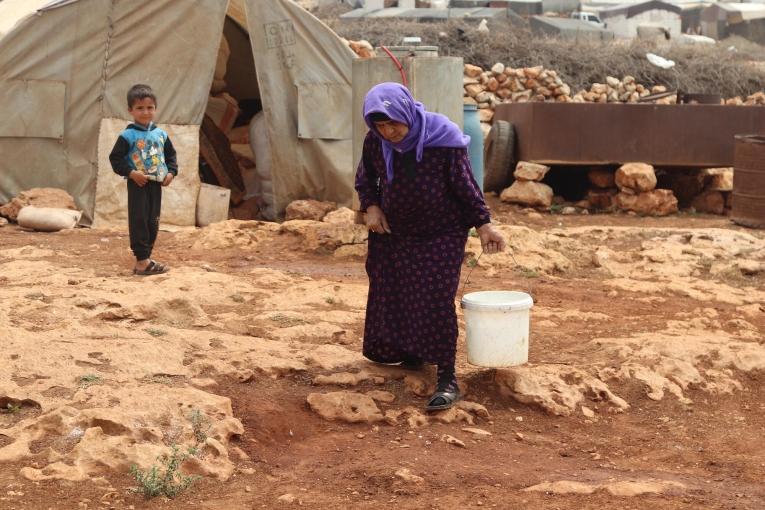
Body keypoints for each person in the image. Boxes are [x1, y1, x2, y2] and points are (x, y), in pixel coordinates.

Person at [355, 82, 506, 411]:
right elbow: (366, 178)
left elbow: (465, 185)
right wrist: (372, 206)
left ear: (407, 113)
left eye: (394, 123)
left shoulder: (443, 138)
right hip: (395, 232)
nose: (389, 132)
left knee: (435, 298)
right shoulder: (376, 141)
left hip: (441, 233)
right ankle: (411, 354)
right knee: (396, 290)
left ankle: (447, 377)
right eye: (380, 125)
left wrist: (484, 224)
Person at [109, 84, 177, 276]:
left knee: (152, 220)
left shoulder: (161, 135)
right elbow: (115, 159)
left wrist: (171, 173)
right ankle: (141, 261)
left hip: (156, 184)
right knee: (139, 219)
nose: (145, 112)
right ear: (130, 110)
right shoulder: (127, 136)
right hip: (138, 183)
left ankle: (146, 257)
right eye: (140, 108)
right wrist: (131, 173)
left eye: (149, 107)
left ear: (155, 108)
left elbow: (171, 156)